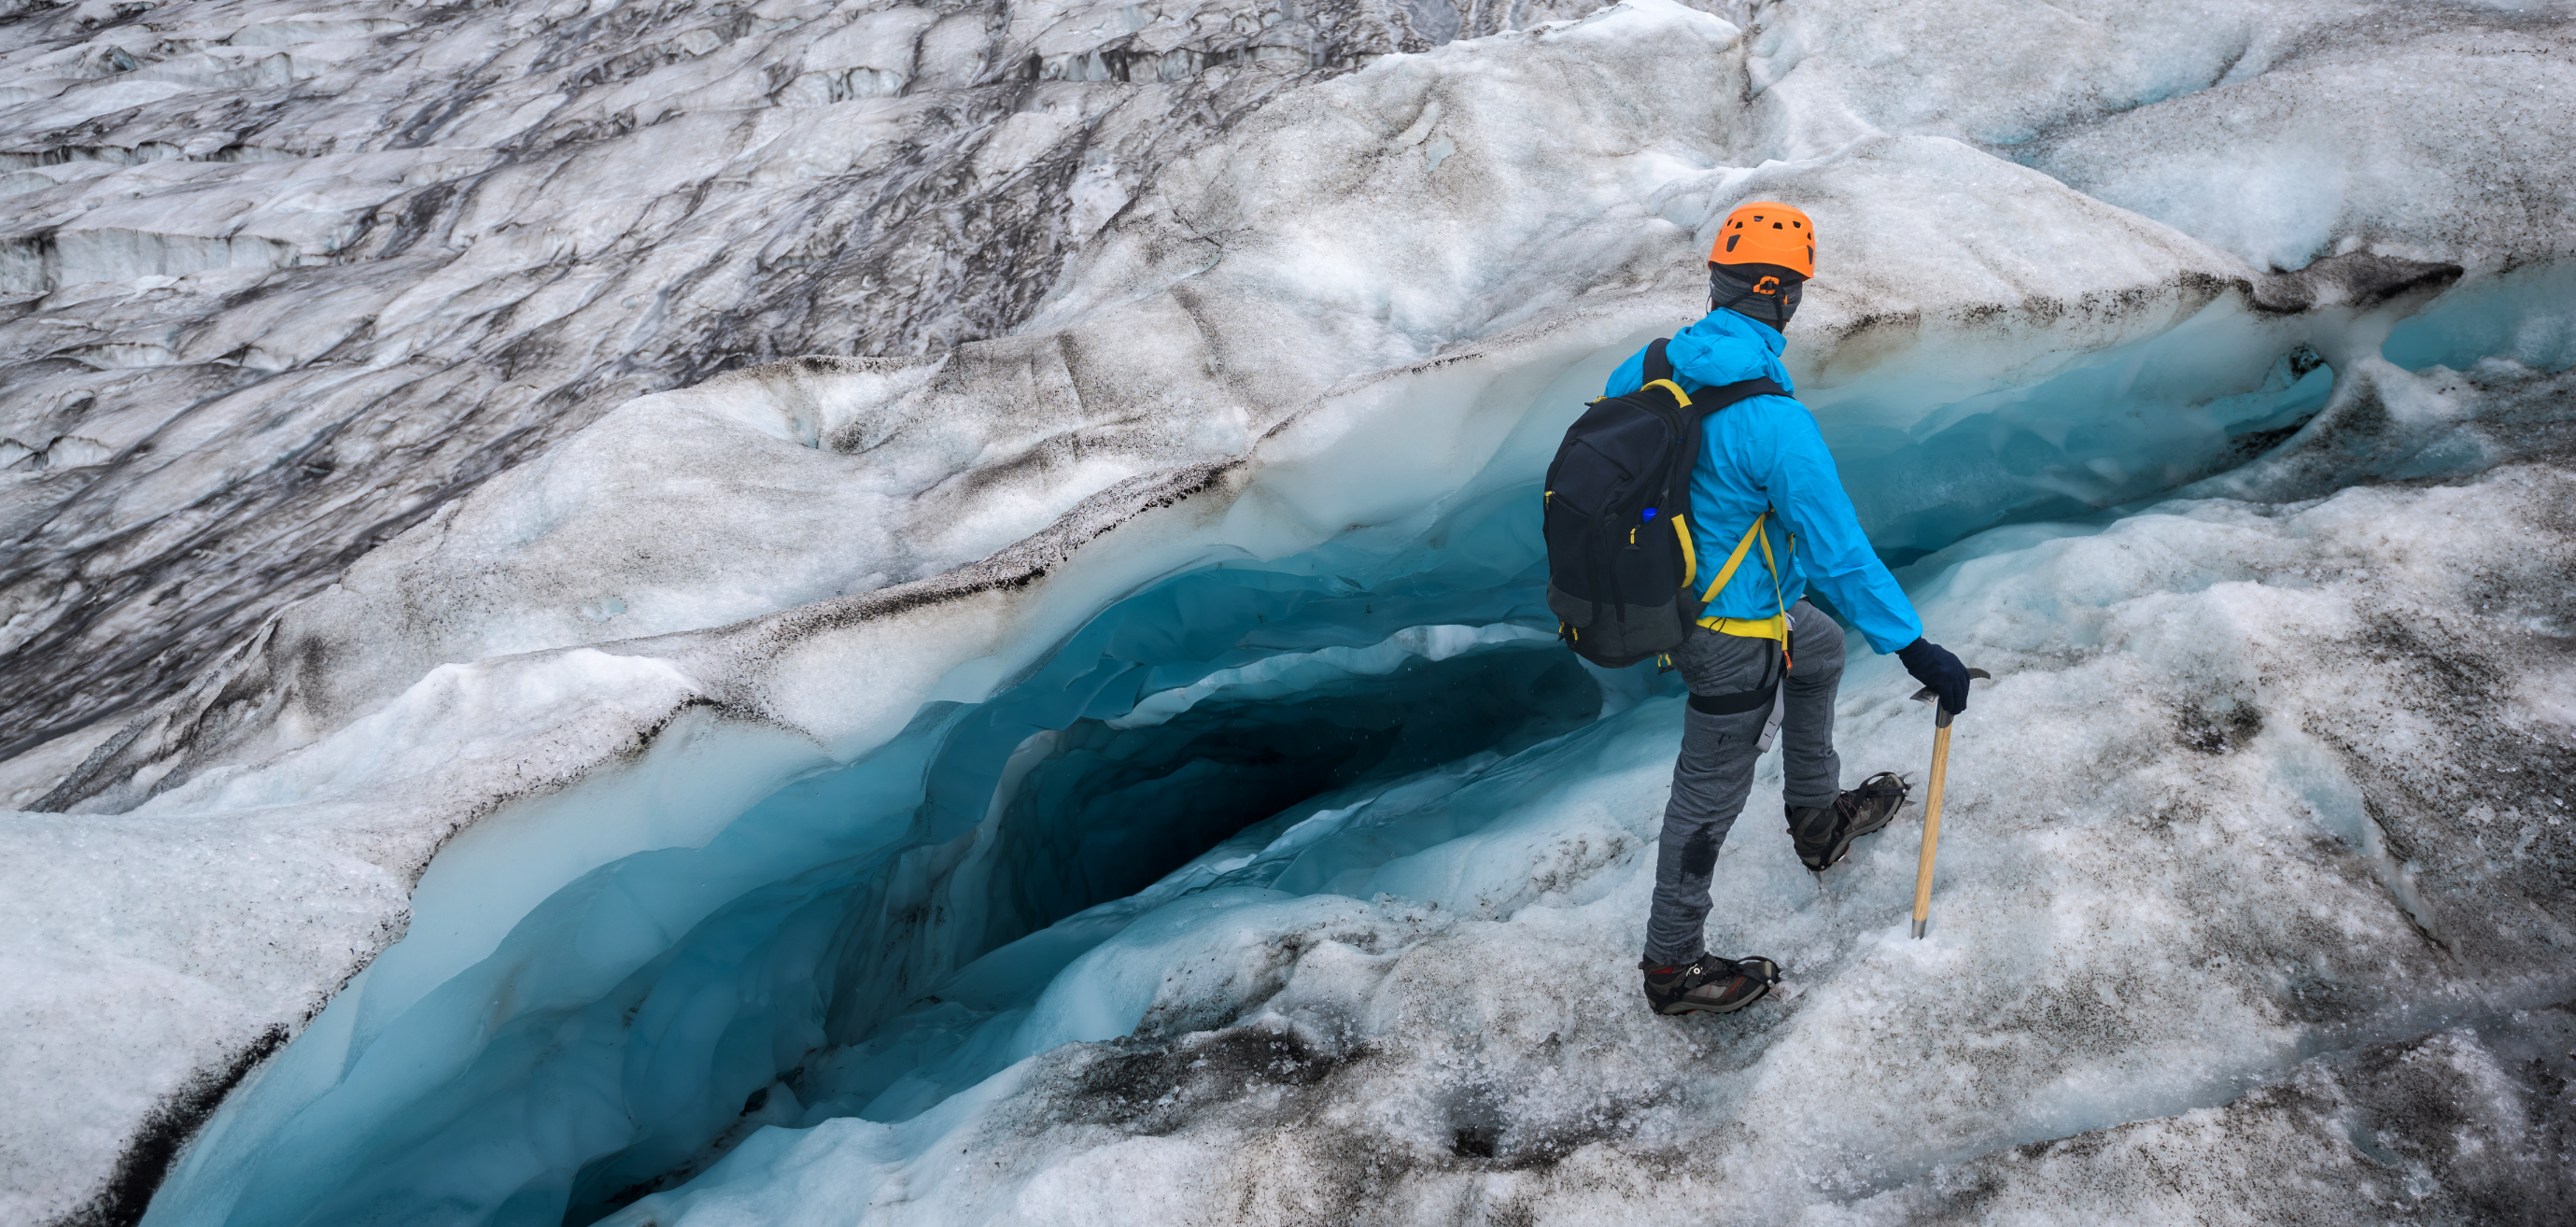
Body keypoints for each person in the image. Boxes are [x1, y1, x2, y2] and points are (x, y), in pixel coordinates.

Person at [1607, 201, 1974, 1016]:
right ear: (1777, 294)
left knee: (1818, 646)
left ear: (1717, 283)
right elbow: (1839, 555)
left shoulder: (1644, 367)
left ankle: (1817, 816)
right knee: (1706, 797)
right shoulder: (1774, 424)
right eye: (1794, 290)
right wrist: (1916, 649)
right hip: (1730, 635)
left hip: (1670, 602)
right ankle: (1672, 967)